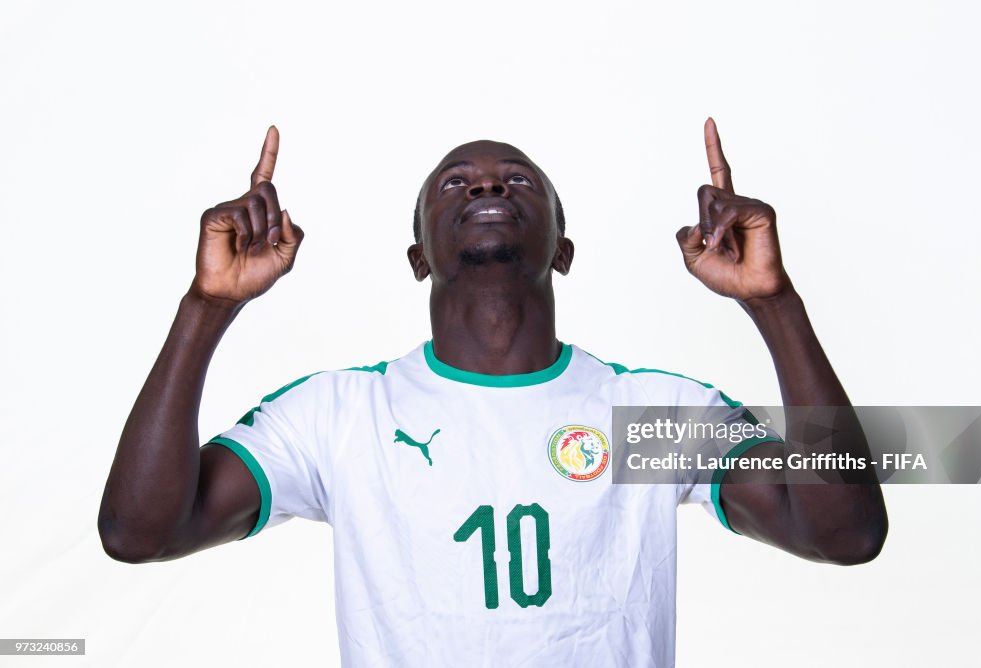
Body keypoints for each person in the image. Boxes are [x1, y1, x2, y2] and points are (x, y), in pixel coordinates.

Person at [98, 120, 887, 666]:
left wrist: (772, 304)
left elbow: (844, 531)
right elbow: (141, 531)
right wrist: (208, 309)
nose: (486, 186)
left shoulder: (647, 415)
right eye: (455, 184)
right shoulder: (342, 415)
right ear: (418, 256)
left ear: (563, 249)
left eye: (516, 181)